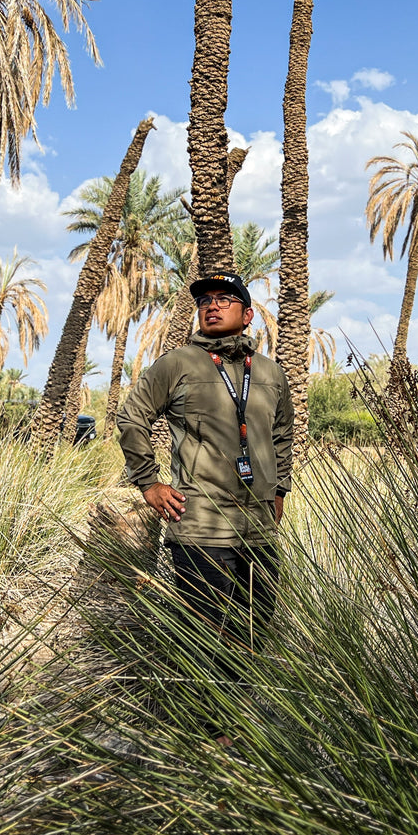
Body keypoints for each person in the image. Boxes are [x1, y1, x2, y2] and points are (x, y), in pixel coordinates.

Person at [116, 270, 294, 742]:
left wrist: (280, 491)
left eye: (224, 298)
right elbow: (131, 418)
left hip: (257, 528)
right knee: (207, 631)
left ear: (247, 313)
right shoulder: (178, 364)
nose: (211, 305)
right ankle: (203, 732)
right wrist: (149, 483)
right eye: (205, 300)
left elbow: (281, 434)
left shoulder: (271, 372)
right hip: (199, 528)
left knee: (254, 626)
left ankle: (231, 720)